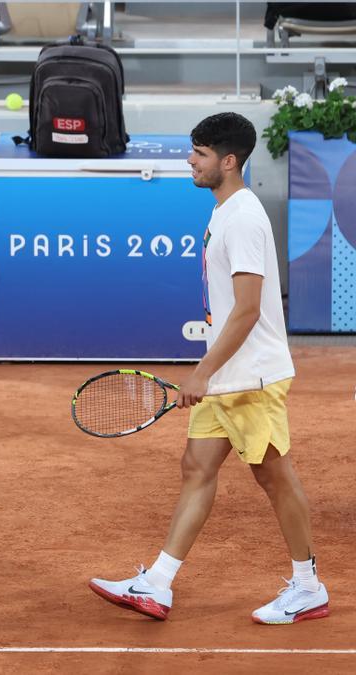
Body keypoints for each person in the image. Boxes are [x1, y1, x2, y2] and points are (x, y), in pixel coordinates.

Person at [89, 112, 328, 625]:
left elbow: (246, 309)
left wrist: (202, 372)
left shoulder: (242, 217)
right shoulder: (225, 211)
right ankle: (157, 583)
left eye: (198, 154)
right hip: (228, 377)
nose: (189, 161)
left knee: (274, 478)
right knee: (197, 468)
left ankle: (308, 586)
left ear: (228, 160)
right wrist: (210, 374)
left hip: (252, 379)